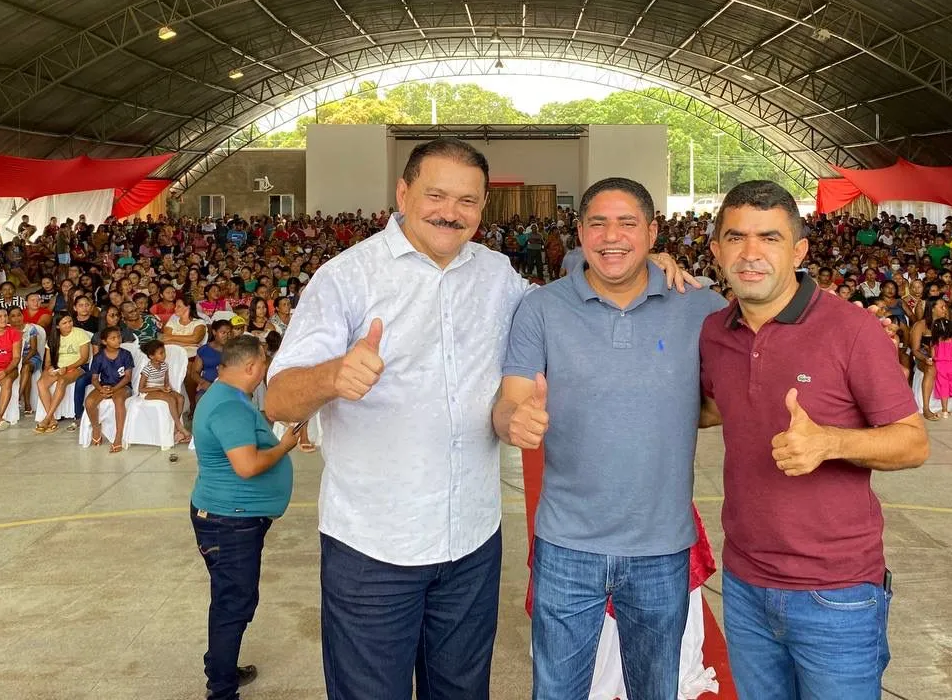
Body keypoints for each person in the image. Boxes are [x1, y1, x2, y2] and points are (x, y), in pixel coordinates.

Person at [263, 139, 689, 700]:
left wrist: (644, 267)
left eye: (467, 200)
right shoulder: (347, 277)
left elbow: (564, 310)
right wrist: (331, 376)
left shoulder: (497, 275)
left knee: (462, 691)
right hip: (373, 548)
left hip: (471, 543)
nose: (450, 211)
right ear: (403, 193)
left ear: (483, 207)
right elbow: (277, 399)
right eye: (436, 195)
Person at [494, 178, 725, 700]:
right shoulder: (543, 308)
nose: (611, 236)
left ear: (652, 232)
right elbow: (511, 400)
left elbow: (725, 396)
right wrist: (513, 421)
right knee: (556, 691)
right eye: (597, 223)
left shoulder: (701, 306)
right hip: (565, 545)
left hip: (661, 547)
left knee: (655, 690)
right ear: (579, 232)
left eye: (627, 223)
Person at [700, 181, 928, 700]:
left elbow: (913, 443)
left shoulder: (851, 330)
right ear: (716, 250)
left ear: (799, 250)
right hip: (745, 583)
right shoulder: (715, 332)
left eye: (770, 238)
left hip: (837, 593)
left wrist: (830, 442)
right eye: (735, 237)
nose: (750, 253)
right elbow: (714, 406)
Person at [191, 333, 297, 700]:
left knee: (228, 597)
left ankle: (220, 665)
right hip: (230, 521)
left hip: (227, 517)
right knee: (233, 603)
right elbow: (248, 466)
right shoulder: (230, 407)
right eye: (264, 363)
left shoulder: (228, 397)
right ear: (252, 366)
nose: (266, 369)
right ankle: (221, 688)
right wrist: (283, 446)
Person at [36, 312, 90, 433]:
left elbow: (84, 358)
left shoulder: (80, 333)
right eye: (64, 323)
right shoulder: (53, 338)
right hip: (57, 368)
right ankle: (53, 420)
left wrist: (67, 367)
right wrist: (49, 368)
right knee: (40, 383)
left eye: (70, 321)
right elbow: (48, 362)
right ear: (57, 326)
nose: (68, 325)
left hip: (77, 367)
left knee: (62, 381)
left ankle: (47, 417)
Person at [84, 326, 134, 452]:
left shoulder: (126, 355)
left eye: (119, 337)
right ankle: (96, 429)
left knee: (118, 400)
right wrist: (101, 389)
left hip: (122, 386)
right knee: (89, 402)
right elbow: (94, 379)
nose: (117, 340)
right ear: (104, 342)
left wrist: (114, 389)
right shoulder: (99, 357)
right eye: (113, 338)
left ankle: (118, 437)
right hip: (105, 385)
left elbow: (127, 377)